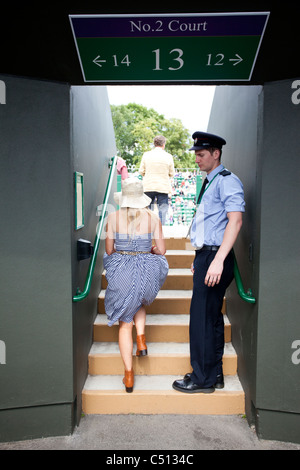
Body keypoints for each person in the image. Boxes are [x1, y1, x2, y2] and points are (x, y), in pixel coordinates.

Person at [172, 131, 245, 394]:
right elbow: (210, 223)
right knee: (211, 318)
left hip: (217, 256)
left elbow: (235, 221)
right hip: (207, 255)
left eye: (201, 155)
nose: (197, 159)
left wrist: (217, 260)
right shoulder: (210, 180)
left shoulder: (227, 181)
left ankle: (201, 379)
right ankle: (215, 373)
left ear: (216, 154)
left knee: (201, 319)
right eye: (196, 155)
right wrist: (199, 257)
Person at [104, 177, 169, 393]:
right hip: (146, 268)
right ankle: (140, 339)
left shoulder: (112, 218)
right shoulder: (153, 218)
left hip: (122, 268)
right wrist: (149, 250)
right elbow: (162, 250)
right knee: (139, 296)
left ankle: (128, 376)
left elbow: (109, 250)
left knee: (125, 322)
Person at [139, 135, 175, 225]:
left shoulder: (146, 155)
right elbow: (172, 173)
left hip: (148, 186)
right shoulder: (168, 156)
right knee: (162, 210)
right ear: (164, 144)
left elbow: (141, 171)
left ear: (154, 144)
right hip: (162, 187)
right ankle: (160, 229)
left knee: (147, 210)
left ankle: (147, 228)